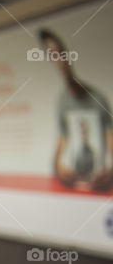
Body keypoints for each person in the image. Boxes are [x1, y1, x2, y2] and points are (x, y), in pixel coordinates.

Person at [39, 28, 113, 192]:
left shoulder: (98, 97)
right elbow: (62, 135)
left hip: (99, 181)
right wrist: (57, 167)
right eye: (53, 55)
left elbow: (110, 134)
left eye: (61, 53)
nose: (60, 59)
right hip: (74, 181)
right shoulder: (62, 101)